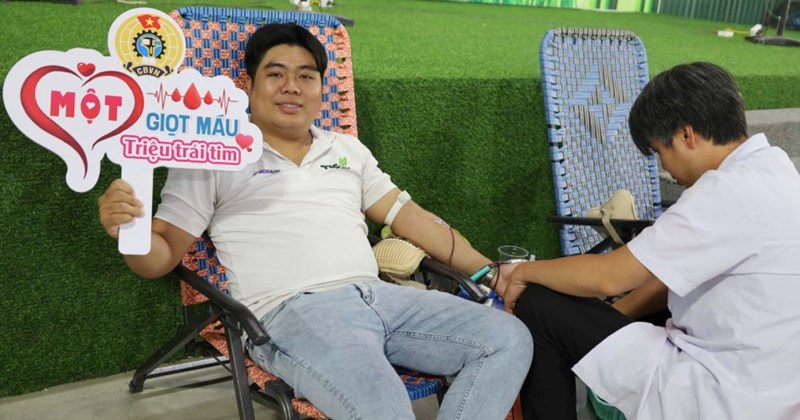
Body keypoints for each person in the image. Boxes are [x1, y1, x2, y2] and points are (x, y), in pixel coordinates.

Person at [98, 22, 532, 419]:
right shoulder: (214, 156)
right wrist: (128, 230)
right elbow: (160, 257)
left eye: (306, 76)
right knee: (383, 407)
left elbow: (411, 218)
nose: (292, 87)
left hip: (384, 298)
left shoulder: (347, 150)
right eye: (276, 74)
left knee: (508, 339)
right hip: (296, 313)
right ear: (248, 84)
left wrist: (490, 272)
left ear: (321, 88)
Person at [495, 62, 800, 420]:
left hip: (722, 396)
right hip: (774, 387)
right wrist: (608, 317)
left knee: (538, 304)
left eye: (659, 151)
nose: (665, 168)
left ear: (686, 135)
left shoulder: (725, 191)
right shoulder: (778, 171)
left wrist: (524, 272)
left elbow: (608, 276)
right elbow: (668, 276)